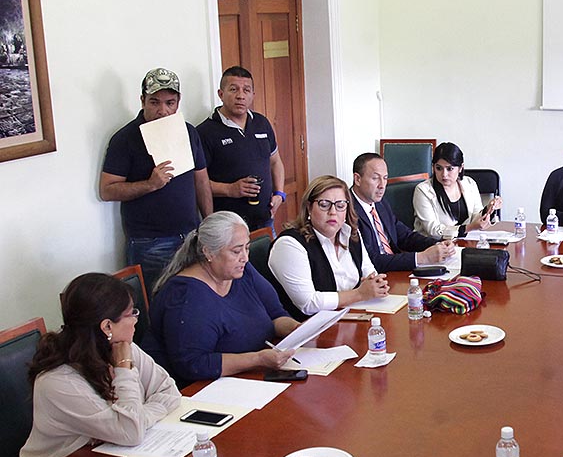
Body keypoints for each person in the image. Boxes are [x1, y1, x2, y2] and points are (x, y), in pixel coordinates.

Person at [15, 273, 181, 457]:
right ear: (107, 326)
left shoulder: (122, 348)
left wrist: (139, 418)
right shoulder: (57, 381)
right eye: (131, 313)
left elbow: (168, 391)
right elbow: (131, 432)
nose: (136, 319)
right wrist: (124, 370)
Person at [145, 211, 299, 385]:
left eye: (247, 248)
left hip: (251, 377)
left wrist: (297, 329)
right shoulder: (184, 297)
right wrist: (257, 359)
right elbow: (193, 365)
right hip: (202, 388)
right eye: (236, 251)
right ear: (209, 252)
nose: (245, 258)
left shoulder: (241, 271)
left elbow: (275, 314)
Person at [99, 67, 213, 292]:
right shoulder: (125, 138)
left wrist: (209, 224)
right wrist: (150, 184)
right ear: (142, 101)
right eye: (154, 102)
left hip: (191, 236)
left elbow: (201, 180)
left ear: (178, 103)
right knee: (157, 302)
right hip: (150, 243)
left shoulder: (188, 132)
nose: (163, 111)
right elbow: (107, 190)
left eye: (170, 103)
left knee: (194, 296)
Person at [269, 176, 390, 318]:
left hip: (351, 316)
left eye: (340, 205)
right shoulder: (289, 245)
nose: (333, 212)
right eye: (324, 204)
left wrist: (376, 284)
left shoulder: (350, 234)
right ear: (309, 207)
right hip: (308, 326)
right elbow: (309, 304)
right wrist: (359, 293)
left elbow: (369, 272)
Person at [198, 66, 287, 232]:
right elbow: (197, 182)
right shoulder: (205, 132)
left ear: (253, 94)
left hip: (264, 220)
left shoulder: (262, 123)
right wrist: (230, 189)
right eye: (233, 89)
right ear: (221, 94)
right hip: (227, 226)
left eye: (246, 90)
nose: (240, 95)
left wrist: (279, 194)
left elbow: (275, 162)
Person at [350, 152, 456, 272]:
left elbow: (405, 236)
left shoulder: (380, 203)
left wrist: (438, 245)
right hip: (374, 276)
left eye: (385, 178)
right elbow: (371, 260)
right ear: (357, 179)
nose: (382, 185)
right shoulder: (346, 211)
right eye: (375, 178)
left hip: (395, 269)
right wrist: (421, 258)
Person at [413, 142, 502, 238]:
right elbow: (433, 230)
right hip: (433, 243)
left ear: (460, 168)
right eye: (438, 168)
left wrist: (488, 209)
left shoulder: (469, 183)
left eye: (450, 169)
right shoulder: (423, 190)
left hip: (463, 241)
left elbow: (475, 216)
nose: (444, 174)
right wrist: (468, 228)